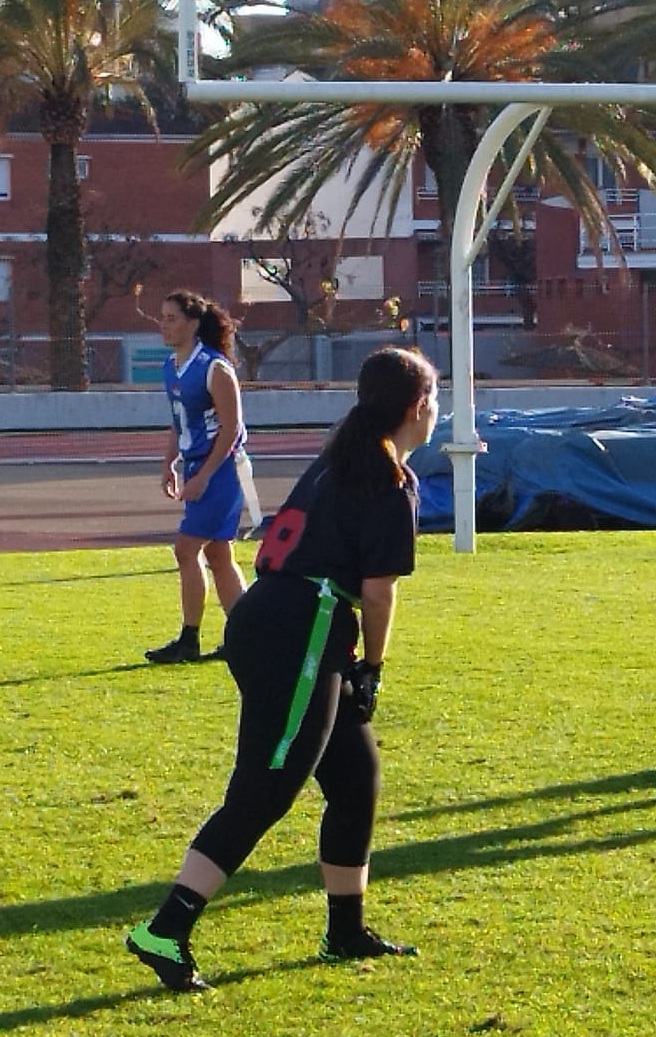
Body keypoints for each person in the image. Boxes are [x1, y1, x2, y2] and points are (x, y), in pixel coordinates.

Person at [126, 347, 439, 990]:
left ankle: (344, 929)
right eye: (432, 400)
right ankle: (165, 927)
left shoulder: (344, 457)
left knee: (355, 777)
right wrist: (372, 668)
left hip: (290, 621)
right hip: (300, 629)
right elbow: (377, 594)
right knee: (265, 789)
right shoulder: (384, 478)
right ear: (416, 408)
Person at [144, 289, 252, 664]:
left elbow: (231, 429)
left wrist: (205, 475)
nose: (164, 324)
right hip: (196, 465)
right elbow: (179, 422)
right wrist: (170, 463)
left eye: (172, 318)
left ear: (193, 324)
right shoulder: (171, 367)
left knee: (185, 549)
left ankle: (189, 639)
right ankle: (248, 634)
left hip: (221, 470)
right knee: (219, 555)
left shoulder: (214, 367)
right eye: (162, 317)